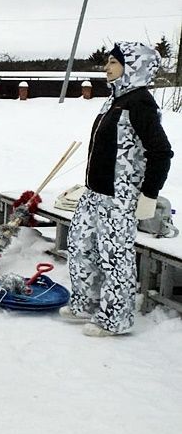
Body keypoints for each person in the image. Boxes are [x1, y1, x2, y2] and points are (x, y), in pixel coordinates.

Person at [62, 41, 173, 336]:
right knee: (81, 245)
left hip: (120, 196)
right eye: (108, 61)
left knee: (115, 258)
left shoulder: (140, 103)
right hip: (94, 192)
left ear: (133, 66)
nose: (106, 67)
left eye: (114, 62)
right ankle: (87, 302)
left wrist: (149, 194)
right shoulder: (114, 99)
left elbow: (161, 152)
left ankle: (116, 319)